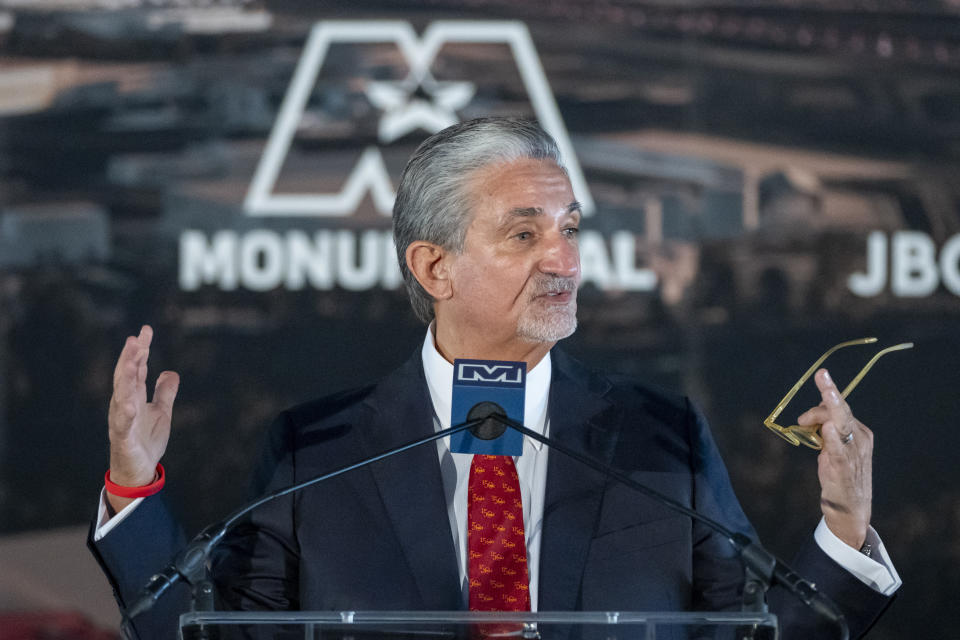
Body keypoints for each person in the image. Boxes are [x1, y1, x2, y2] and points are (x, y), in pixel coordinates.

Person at [89, 118, 899, 639]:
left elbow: (756, 634)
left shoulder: (662, 439)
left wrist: (844, 526)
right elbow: (208, 637)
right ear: (434, 266)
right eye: (524, 233)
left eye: (571, 230)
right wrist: (134, 490)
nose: (567, 260)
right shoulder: (318, 450)